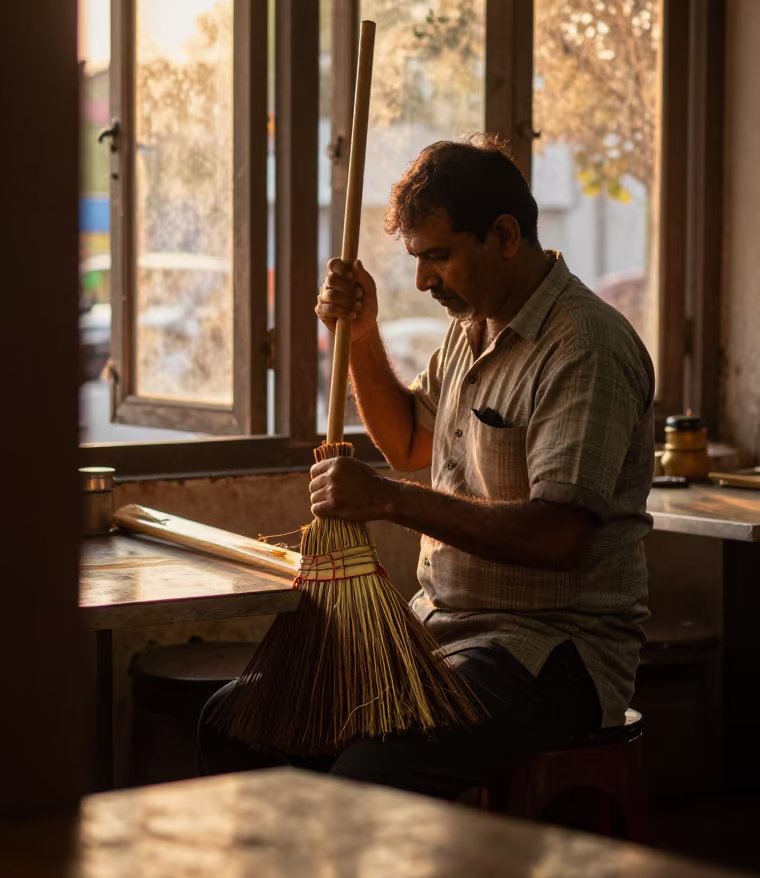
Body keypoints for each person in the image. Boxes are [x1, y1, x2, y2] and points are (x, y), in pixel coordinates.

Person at [199, 134, 654, 800]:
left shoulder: (583, 347)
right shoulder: (472, 325)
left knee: (370, 767)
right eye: (415, 259)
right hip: (440, 631)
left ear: (503, 235)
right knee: (240, 722)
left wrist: (388, 501)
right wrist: (359, 336)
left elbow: (559, 536)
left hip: (551, 655)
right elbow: (410, 441)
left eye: (437, 256)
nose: (422, 280)